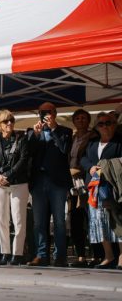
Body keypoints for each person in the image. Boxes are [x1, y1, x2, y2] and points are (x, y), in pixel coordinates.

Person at [26, 102, 73, 267]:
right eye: (42, 112)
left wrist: (53, 130)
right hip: (39, 181)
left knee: (59, 221)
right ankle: (41, 254)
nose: (45, 115)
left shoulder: (65, 131)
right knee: (39, 222)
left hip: (58, 183)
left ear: (55, 113)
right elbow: (28, 153)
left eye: (48, 112)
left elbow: (64, 149)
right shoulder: (32, 132)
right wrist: (36, 136)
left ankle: (60, 256)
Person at [0, 109, 30, 266]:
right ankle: (5, 252)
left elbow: (23, 161)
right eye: (6, 121)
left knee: (19, 219)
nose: (10, 123)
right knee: (1, 220)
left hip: (18, 182)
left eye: (11, 120)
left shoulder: (21, 139)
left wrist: (7, 176)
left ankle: (17, 254)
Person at [80, 112, 122, 269]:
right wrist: (90, 167)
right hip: (95, 187)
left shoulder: (119, 142)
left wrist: (106, 166)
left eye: (108, 122)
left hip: (113, 187)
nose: (105, 126)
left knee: (117, 220)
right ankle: (108, 256)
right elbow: (83, 158)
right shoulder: (92, 143)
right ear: (97, 127)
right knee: (99, 221)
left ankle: (121, 257)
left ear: (115, 124)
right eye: (101, 124)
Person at [68, 109, 96, 268]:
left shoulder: (93, 137)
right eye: (77, 118)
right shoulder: (72, 138)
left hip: (88, 181)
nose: (80, 120)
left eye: (83, 118)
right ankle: (80, 256)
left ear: (88, 120)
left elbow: (91, 159)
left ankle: (98, 255)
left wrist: (78, 169)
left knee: (91, 218)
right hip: (73, 185)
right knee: (76, 220)